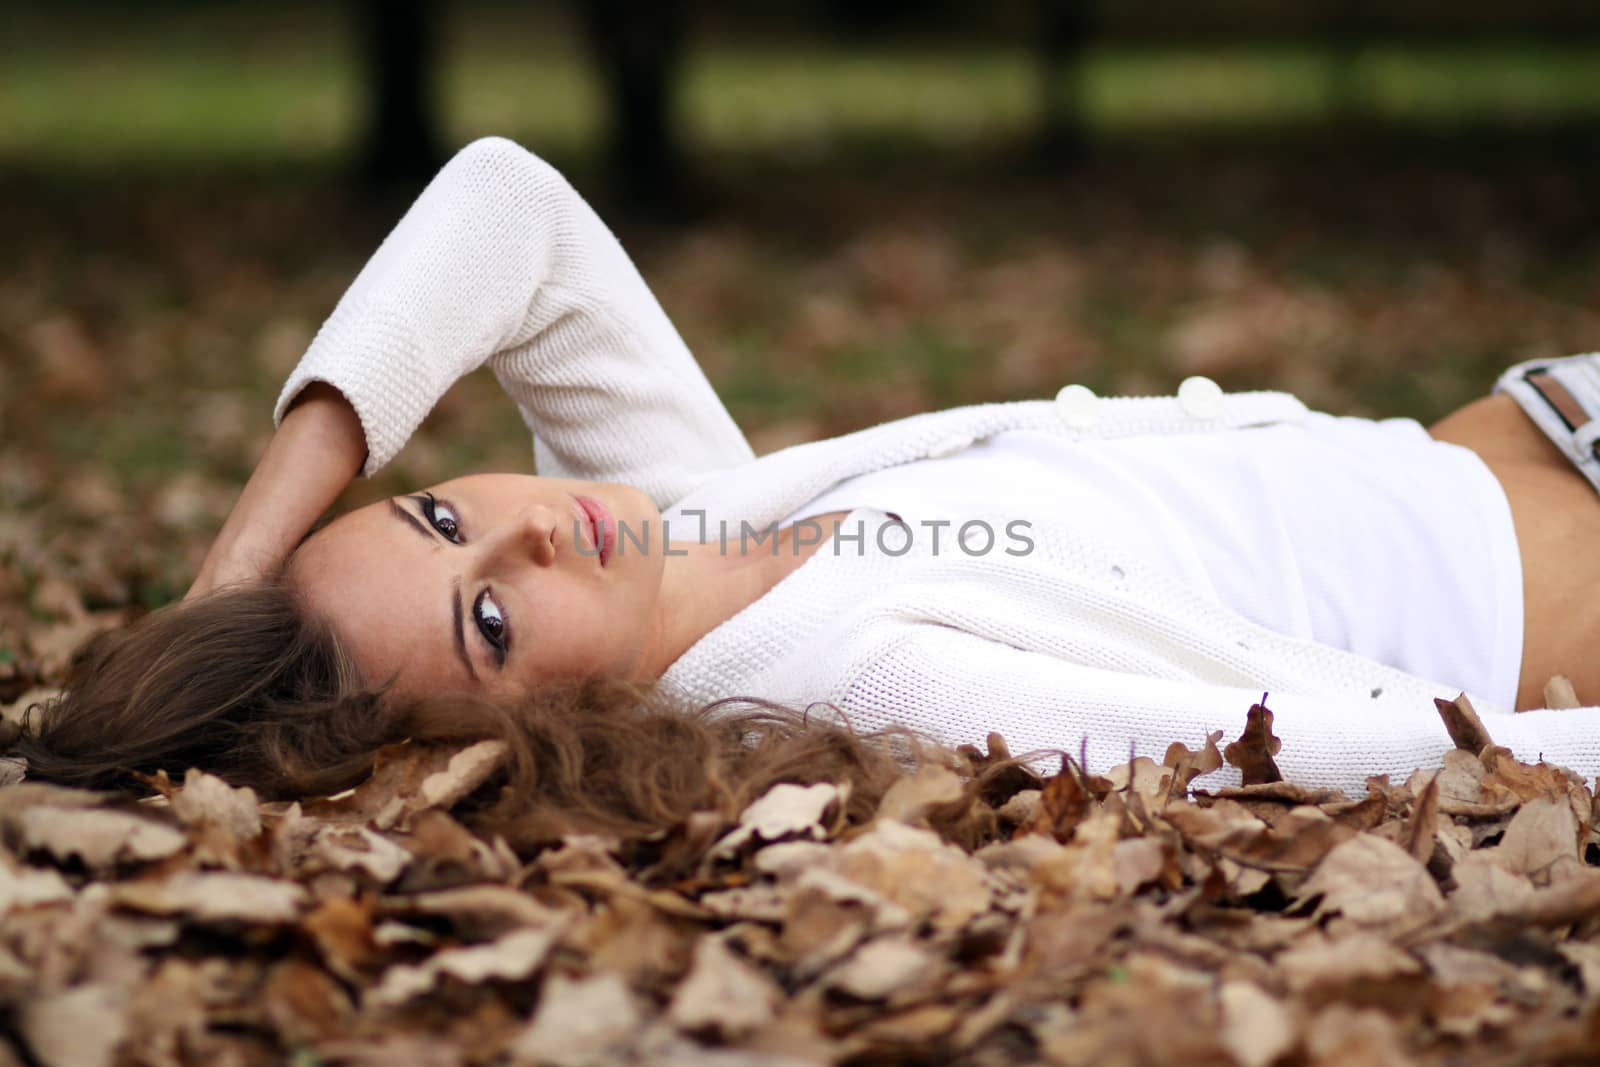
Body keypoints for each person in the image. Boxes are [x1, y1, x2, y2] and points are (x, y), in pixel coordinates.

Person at [18, 137, 1600, 826]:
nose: (527, 531)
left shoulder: (688, 518)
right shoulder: (867, 681)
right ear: (508, 741)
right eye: (488, 623)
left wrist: (239, 568)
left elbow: (507, 212)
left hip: (1527, 421)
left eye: (441, 511)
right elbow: (1361, 749)